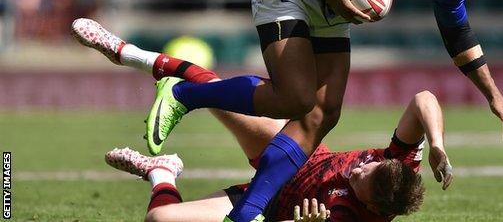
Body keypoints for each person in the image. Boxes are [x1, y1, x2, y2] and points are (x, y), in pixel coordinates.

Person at [72, 0, 503, 222]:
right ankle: (182, 96)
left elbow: (460, 37)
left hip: (331, 8)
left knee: (323, 113)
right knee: (295, 98)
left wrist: (493, 94)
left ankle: (246, 212)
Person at [73, 25, 451, 221]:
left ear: (378, 210)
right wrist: (436, 144)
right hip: (300, 151)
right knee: (218, 93)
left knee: (159, 220)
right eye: (366, 166)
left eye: (359, 182)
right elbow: (423, 100)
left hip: (267, 207)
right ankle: (127, 53)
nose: (357, 169)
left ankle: (161, 172)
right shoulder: (400, 164)